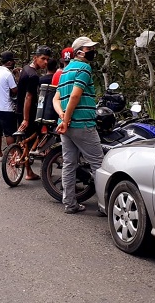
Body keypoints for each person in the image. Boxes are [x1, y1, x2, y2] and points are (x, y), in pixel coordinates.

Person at [53, 36, 104, 214]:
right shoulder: (84, 67)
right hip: (82, 124)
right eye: (89, 49)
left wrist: (62, 117)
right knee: (99, 164)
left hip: (65, 126)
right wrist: (67, 120)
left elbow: (56, 99)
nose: (92, 52)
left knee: (69, 163)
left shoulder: (65, 71)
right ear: (79, 52)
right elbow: (75, 96)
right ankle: (104, 207)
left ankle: (70, 203)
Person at [15, 46, 51, 180]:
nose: (45, 62)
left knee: (25, 140)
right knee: (40, 134)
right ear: (35, 58)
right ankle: (27, 161)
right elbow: (28, 97)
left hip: (20, 110)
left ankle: (28, 171)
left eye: (47, 59)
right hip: (27, 113)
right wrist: (26, 118)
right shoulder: (33, 76)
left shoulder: (26, 69)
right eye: (43, 59)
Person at [0, 51, 18, 161]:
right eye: (13, 60)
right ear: (9, 62)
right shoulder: (8, 74)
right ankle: (12, 156)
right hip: (6, 108)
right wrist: (18, 77)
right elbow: (14, 90)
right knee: (9, 134)